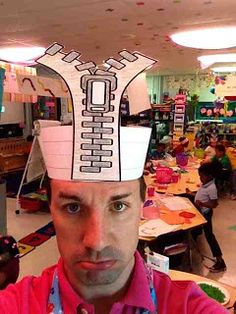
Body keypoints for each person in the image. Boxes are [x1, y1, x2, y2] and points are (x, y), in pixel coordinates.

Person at [0, 45, 227, 313]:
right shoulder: (16, 305)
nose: (97, 241)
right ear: (51, 207)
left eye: (119, 206)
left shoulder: (187, 306)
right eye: (73, 207)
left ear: (143, 204)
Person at [186, 162, 226, 273]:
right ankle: (195, 253)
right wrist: (191, 194)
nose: (200, 178)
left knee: (209, 236)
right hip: (201, 212)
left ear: (209, 176)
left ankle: (220, 261)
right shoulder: (206, 184)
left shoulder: (212, 188)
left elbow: (214, 204)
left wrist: (202, 204)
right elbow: (202, 196)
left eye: (202, 176)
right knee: (194, 232)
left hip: (205, 214)